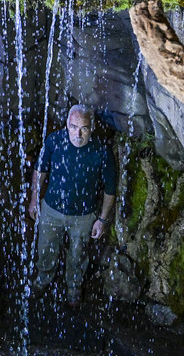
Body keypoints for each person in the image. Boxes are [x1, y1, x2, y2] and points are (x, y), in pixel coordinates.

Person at [27, 105, 117, 308]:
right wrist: (34, 199)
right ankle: (43, 279)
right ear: (67, 124)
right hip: (51, 209)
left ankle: (74, 287)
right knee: (46, 249)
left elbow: (110, 188)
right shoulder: (54, 141)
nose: (78, 133)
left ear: (92, 127)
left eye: (83, 128)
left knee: (78, 254)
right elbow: (40, 170)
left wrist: (102, 219)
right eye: (74, 127)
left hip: (84, 215)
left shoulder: (102, 150)